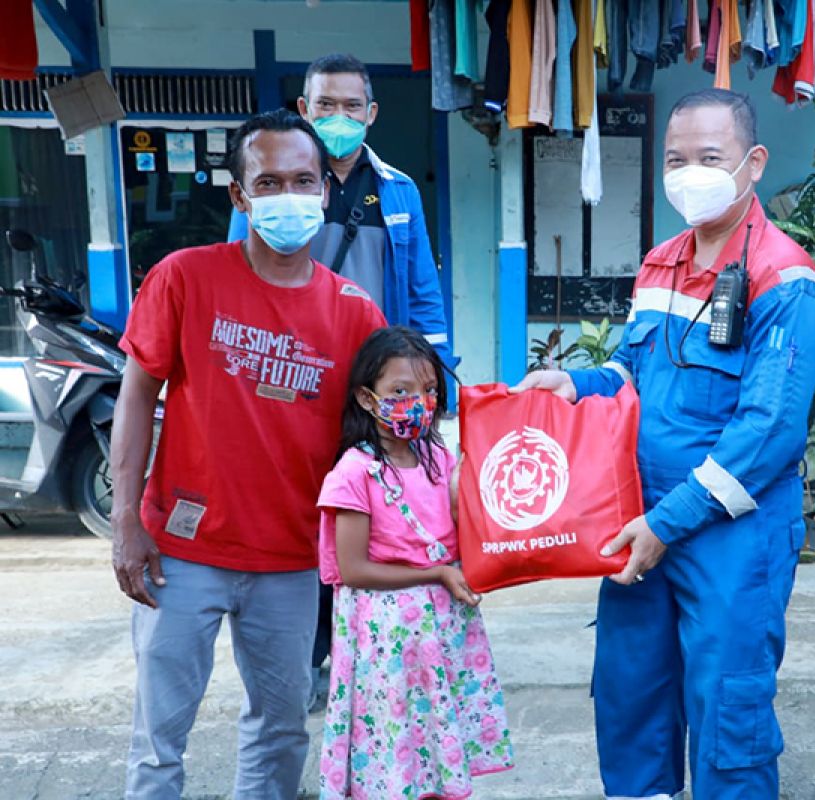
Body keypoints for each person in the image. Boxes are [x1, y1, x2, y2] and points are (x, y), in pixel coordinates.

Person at [514, 89, 815, 799]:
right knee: (631, 695)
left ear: (753, 163)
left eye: (709, 158)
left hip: (727, 535)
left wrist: (667, 523)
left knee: (727, 710)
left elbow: (769, 434)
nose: (690, 172)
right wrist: (577, 383)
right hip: (637, 515)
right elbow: (634, 367)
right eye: (676, 158)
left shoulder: (786, 281)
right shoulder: (662, 261)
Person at [110, 108, 386, 800]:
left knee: (282, 727)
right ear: (240, 196)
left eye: (302, 180)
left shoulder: (356, 312)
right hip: (182, 550)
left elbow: (388, 428)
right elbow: (137, 396)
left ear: (324, 189)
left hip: (291, 559)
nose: (288, 196)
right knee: (159, 735)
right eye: (268, 182)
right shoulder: (184, 278)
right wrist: (124, 521)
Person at [229, 52, 454, 708]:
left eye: (351, 105)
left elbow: (423, 294)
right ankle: (303, 653)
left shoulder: (399, 190)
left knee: (372, 517)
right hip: (291, 383)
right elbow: (236, 279)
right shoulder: (275, 185)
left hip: (372, 395)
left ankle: (354, 648)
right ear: (303, 109)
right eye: (324, 105)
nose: (338, 117)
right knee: (300, 515)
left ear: (371, 113)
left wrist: (435, 386)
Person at [315, 325, 514, 798]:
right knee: (395, 751)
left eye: (427, 391)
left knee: (438, 753)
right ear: (367, 398)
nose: (417, 402)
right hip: (389, 641)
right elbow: (353, 568)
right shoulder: (354, 472)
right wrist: (438, 573)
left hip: (442, 632)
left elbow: (464, 526)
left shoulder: (439, 458)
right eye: (400, 391)